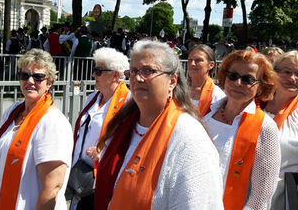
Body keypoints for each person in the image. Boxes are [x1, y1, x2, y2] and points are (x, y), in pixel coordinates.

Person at [94, 40, 223, 209]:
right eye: (133, 71)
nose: (138, 78)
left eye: (148, 71)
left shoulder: (190, 138)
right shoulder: (124, 124)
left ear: (172, 81)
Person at [0, 49, 73, 210]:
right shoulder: (12, 111)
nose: (30, 81)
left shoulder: (53, 123)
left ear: (49, 82)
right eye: (24, 76)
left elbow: (53, 187)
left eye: (38, 77)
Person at [202, 50, 280, 210]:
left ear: (260, 87)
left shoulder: (266, 128)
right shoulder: (206, 114)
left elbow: (261, 196)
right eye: (233, 76)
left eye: (248, 80)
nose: (238, 83)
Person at [69, 47, 130, 210]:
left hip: (103, 177)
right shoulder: (93, 97)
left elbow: (130, 142)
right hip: (81, 174)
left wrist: (103, 153)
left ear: (116, 75)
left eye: (98, 71)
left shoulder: (128, 103)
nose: (93, 75)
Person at [261, 51, 298, 210]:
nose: (292, 78)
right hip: (247, 196)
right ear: (273, 73)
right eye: (286, 72)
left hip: (286, 199)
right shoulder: (256, 106)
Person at [187, 44, 226, 117]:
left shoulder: (217, 96)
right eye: (190, 60)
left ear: (211, 65)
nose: (192, 64)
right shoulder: (180, 89)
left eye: (198, 60)